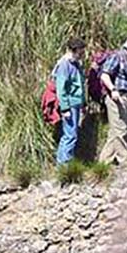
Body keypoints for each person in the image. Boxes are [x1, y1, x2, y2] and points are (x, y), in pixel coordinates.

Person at [99, 35, 127, 164]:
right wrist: (113, 89)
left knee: (115, 131)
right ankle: (125, 158)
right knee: (121, 129)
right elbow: (104, 75)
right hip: (117, 97)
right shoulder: (117, 57)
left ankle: (104, 161)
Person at [54, 37, 86, 165]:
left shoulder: (76, 63)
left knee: (71, 134)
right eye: (81, 50)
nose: (83, 53)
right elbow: (60, 88)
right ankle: (64, 165)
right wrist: (65, 108)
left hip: (76, 103)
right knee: (70, 135)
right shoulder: (64, 64)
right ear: (75, 50)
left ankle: (65, 163)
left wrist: (83, 102)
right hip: (70, 104)